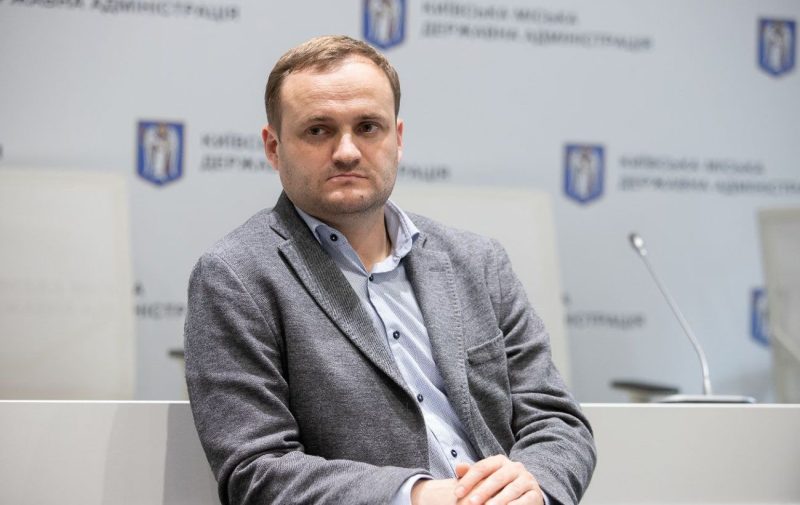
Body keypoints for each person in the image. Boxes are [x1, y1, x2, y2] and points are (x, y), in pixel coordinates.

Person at [184, 35, 596, 505]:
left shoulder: (477, 262)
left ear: (397, 139)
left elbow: (556, 419)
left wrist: (532, 487)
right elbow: (256, 470)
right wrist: (418, 497)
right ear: (273, 147)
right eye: (318, 130)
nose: (346, 151)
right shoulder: (235, 277)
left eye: (368, 127)